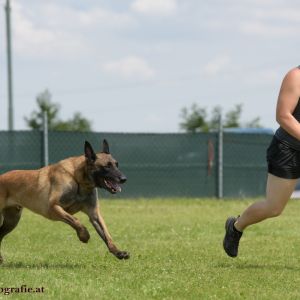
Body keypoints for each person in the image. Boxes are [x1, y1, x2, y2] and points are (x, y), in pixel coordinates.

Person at [223, 65, 300, 258]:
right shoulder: (295, 76)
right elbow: (283, 116)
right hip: (288, 149)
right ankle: (236, 226)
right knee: (274, 207)